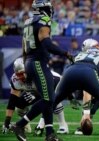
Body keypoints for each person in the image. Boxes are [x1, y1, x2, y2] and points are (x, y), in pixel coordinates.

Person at [11, 1, 73, 141]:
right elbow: (46, 42)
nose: (51, 11)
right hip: (38, 62)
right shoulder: (43, 20)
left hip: (31, 61)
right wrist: (65, 53)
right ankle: (20, 125)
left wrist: (27, 64)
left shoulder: (28, 21)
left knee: (49, 99)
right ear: (44, 9)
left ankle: (50, 133)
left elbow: (24, 46)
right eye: (49, 8)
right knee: (48, 99)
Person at [2, 58, 69, 136]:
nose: (22, 76)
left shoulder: (39, 75)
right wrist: (7, 121)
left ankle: (63, 126)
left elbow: (47, 98)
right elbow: (12, 102)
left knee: (52, 101)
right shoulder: (15, 81)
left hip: (56, 83)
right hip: (35, 90)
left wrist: (41, 125)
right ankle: (24, 126)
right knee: (19, 106)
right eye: (19, 74)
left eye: (24, 73)